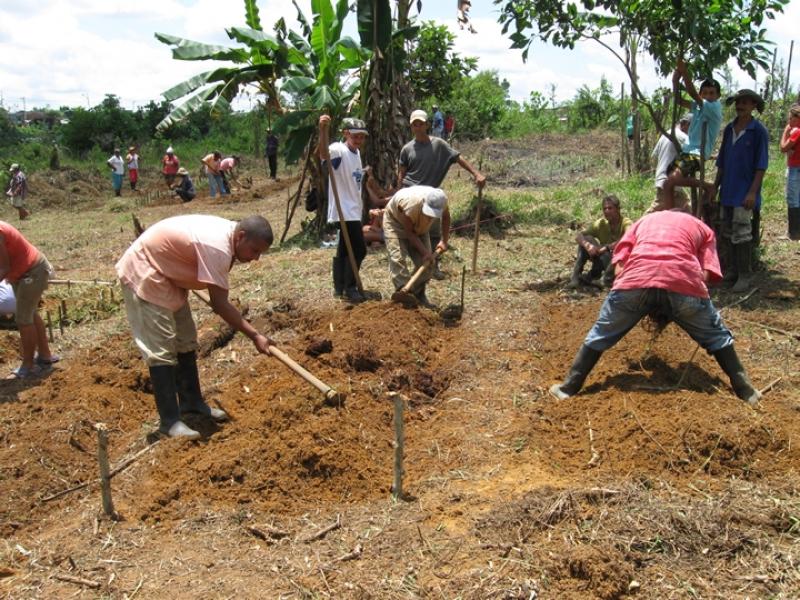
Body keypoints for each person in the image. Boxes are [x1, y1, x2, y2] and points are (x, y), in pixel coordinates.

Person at [550, 209, 761, 407]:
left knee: (601, 333)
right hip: (682, 283)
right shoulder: (702, 228)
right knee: (717, 337)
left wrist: (625, 290)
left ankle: (568, 387)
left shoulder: (643, 222)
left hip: (635, 282)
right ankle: (746, 390)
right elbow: (707, 273)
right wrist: (698, 303)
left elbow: (619, 263)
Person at [115, 214, 275, 439]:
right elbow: (220, 304)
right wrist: (255, 335)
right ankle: (169, 423)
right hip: (147, 269)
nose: (256, 258)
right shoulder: (218, 248)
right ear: (241, 237)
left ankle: (191, 402)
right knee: (161, 348)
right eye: (254, 250)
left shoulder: (229, 238)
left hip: (169, 274)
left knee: (186, 339)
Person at [399, 109, 486, 280]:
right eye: (415, 124)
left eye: (421, 124)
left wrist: (476, 173)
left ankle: (433, 265)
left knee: (434, 232)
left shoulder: (439, 145)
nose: (418, 127)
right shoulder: (407, 149)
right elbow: (401, 174)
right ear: (411, 127)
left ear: (427, 125)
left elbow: (458, 158)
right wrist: (398, 191)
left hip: (431, 196)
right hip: (411, 195)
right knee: (411, 232)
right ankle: (418, 266)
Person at [712, 89, 769, 293]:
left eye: (745, 102)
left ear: (753, 106)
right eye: (738, 102)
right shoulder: (729, 129)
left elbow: (761, 165)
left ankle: (745, 274)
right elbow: (722, 162)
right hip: (728, 189)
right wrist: (715, 186)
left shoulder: (758, 131)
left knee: (742, 232)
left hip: (744, 191)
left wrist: (752, 192)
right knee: (727, 231)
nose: (740, 106)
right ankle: (732, 270)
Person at [660, 59, 722, 211]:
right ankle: (670, 215)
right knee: (667, 183)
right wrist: (675, 81)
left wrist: (684, 72)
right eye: (705, 93)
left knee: (672, 180)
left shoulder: (714, 108)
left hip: (697, 153)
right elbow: (679, 100)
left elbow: (693, 94)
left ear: (718, 96)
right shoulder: (699, 107)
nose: (708, 96)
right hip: (687, 151)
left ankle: (707, 186)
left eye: (712, 93)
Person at [319, 115, 368, 303]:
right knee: (359, 249)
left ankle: (339, 287)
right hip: (344, 209)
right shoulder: (339, 150)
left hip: (353, 208)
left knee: (345, 249)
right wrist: (322, 129)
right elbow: (324, 155)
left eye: (362, 137)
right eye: (355, 136)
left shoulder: (356, 153)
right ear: (346, 133)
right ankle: (350, 287)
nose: (359, 140)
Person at [0, 221, 59, 379]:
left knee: (23, 319)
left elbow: (4, 267)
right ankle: (45, 356)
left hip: (32, 272)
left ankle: (28, 365)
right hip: (20, 273)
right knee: (30, 313)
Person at [383, 186, 450, 308]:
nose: (431, 217)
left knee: (428, 265)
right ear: (424, 203)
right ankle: (403, 293)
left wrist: (444, 241)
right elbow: (410, 233)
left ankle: (417, 295)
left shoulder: (442, 201)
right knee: (397, 258)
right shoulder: (412, 204)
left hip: (420, 227)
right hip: (395, 223)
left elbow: (446, 217)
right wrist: (425, 253)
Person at [567, 195, 632, 289]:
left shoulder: (625, 222)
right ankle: (575, 278)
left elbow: (629, 237)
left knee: (614, 252)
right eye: (604, 209)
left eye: (610, 208)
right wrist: (588, 246)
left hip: (617, 262)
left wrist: (607, 247)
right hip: (602, 257)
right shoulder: (601, 223)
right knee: (587, 239)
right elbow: (579, 236)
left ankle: (604, 280)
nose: (607, 211)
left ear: (618, 209)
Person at [647, 113, 692, 213]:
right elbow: (694, 155)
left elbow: (655, 156)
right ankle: (637, 224)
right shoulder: (683, 137)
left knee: (686, 210)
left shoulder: (666, 134)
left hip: (663, 179)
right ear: (685, 124)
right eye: (692, 127)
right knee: (654, 213)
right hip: (670, 183)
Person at [780, 104, 800, 240]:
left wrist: (786, 132)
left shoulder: (796, 131)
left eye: (790, 118)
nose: (789, 122)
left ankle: (793, 233)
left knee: (793, 200)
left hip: (795, 169)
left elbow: (783, 148)